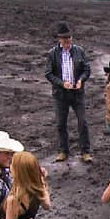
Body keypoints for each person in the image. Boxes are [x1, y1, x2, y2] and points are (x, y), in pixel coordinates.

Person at [44, 22, 91, 163]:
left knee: (82, 122)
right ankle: (63, 150)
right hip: (61, 95)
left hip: (77, 93)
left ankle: (85, 151)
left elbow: (87, 70)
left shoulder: (79, 51)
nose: (67, 41)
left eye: (69, 38)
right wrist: (61, 83)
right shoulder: (52, 54)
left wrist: (81, 80)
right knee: (60, 124)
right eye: (64, 39)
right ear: (59, 39)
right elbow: (48, 73)